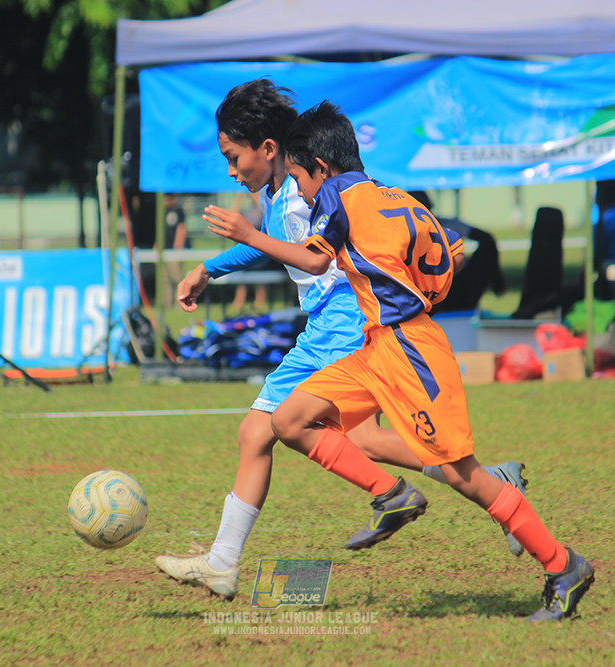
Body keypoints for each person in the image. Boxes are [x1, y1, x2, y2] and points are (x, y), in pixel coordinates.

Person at [209, 100, 594, 622]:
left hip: (409, 350)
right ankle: (391, 494)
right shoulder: (392, 195)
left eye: (298, 179)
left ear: (320, 168)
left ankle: (562, 563)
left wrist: (251, 236)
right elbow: (449, 253)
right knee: (288, 419)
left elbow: (316, 258)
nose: (296, 191)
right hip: (375, 346)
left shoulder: (336, 200)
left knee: (464, 476)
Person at [155, 80, 528, 601]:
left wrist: (430, 246)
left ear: (268, 149)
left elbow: (346, 223)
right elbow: (276, 245)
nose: (231, 170)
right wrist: (210, 268)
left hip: (344, 322)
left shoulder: (311, 185)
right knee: (354, 439)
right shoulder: (282, 191)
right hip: (336, 324)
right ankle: (493, 482)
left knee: (262, 432)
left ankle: (231, 560)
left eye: (234, 157)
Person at [408, 191, 506, 313]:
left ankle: (469, 303)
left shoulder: (445, 224)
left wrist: (495, 275)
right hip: (426, 288)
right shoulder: (404, 231)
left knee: (482, 254)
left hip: (455, 284)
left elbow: (486, 239)